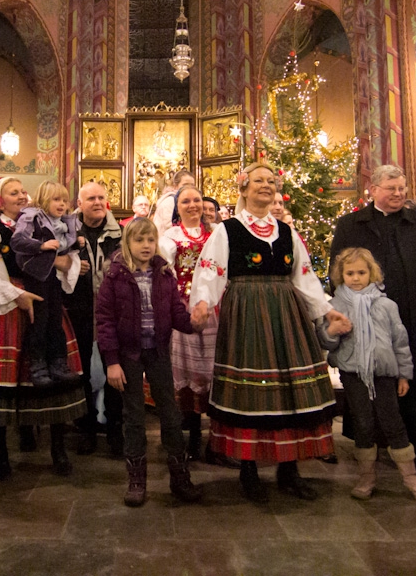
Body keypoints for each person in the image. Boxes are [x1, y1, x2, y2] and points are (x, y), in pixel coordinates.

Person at [190, 163, 351, 502]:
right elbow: (211, 271)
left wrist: (325, 309)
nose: (266, 185)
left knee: (289, 393)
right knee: (252, 392)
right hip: (246, 313)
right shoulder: (228, 230)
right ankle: (248, 471)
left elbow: (303, 276)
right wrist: (203, 302)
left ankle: (289, 471)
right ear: (244, 188)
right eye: (258, 181)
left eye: (271, 181)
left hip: (286, 314)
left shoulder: (287, 232)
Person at [329, 165, 416, 469]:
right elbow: (337, 273)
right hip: (367, 320)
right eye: (391, 188)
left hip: (413, 317)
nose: (398, 194)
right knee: (372, 381)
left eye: (402, 188)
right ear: (374, 190)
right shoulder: (350, 225)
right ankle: (373, 446)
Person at [0, 177, 87, 478]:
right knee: (5, 381)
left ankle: (58, 449)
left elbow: (67, 258)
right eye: (14, 193)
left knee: (53, 371)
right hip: (10, 304)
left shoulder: (43, 222)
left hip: (45, 296)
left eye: (24, 191)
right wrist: (17, 295)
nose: (22, 196)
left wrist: (63, 263)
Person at [96, 218, 203, 507]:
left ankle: (180, 478)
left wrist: (194, 323)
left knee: (170, 414)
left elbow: (176, 313)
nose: (146, 245)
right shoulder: (115, 276)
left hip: (158, 352)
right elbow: (105, 321)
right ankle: (136, 481)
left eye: (151, 240)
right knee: (134, 417)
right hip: (128, 355)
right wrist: (112, 361)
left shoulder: (164, 274)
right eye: (139, 240)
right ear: (127, 243)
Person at [319, 248, 416, 501]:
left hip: (383, 373)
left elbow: (400, 342)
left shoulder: (386, 305)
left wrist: (404, 374)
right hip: (354, 372)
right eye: (350, 273)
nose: (355, 278)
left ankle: (411, 477)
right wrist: (332, 331)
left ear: (372, 273)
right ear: (341, 275)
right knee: (363, 423)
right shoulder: (334, 306)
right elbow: (326, 342)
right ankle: (366, 477)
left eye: (361, 272)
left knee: (392, 421)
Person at [158, 186, 226, 465]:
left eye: (197, 200)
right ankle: (193, 437)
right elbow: (165, 272)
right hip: (184, 310)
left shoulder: (217, 234)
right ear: (178, 207)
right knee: (188, 371)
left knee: (214, 370)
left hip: (215, 310)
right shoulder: (171, 237)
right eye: (185, 201)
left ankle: (217, 442)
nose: (193, 205)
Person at [64, 181, 125, 456]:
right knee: (82, 373)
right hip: (78, 310)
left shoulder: (120, 233)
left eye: (101, 197)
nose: (97, 202)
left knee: (116, 369)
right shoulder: (66, 232)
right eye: (91, 199)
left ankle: (115, 431)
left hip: (113, 314)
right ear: (80, 203)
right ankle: (86, 428)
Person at [11, 181, 84, 388]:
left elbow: (62, 246)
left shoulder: (63, 223)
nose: (62, 204)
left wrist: (76, 242)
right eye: (56, 200)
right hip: (36, 274)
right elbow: (17, 241)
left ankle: (58, 362)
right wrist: (41, 245)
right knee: (40, 319)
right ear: (43, 200)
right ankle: (37, 364)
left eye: (64, 200)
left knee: (55, 318)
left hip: (53, 275)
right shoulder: (31, 217)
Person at [152, 170, 196, 234]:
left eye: (192, 185)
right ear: (175, 186)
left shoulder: (187, 200)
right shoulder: (170, 201)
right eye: (185, 185)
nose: (189, 188)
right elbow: (170, 227)